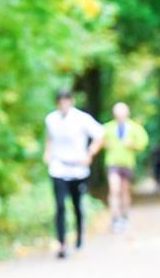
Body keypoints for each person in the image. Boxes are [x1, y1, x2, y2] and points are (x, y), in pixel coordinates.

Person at [43, 89, 104, 258]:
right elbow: (49, 138)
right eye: (60, 101)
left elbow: (100, 135)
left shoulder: (82, 119)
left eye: (66, 101)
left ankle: (79, 236)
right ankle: (62, 243)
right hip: (58, 167)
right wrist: (47, 153)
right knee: (60, 205)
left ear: (71, 101)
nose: (63, 105)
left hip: (78, 169)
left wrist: (90, 153)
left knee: (77, 205)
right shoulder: (51, 119)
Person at [102, 102, 149, 232]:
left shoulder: (134, 127)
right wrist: (105, 143)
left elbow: (143, 142)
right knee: (114, 189)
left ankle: (125, 216)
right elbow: (98, 139)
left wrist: (132, 144)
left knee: (124, 191)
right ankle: (115, 218)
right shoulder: (108, 127)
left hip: (127, 163)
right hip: (112, 163)